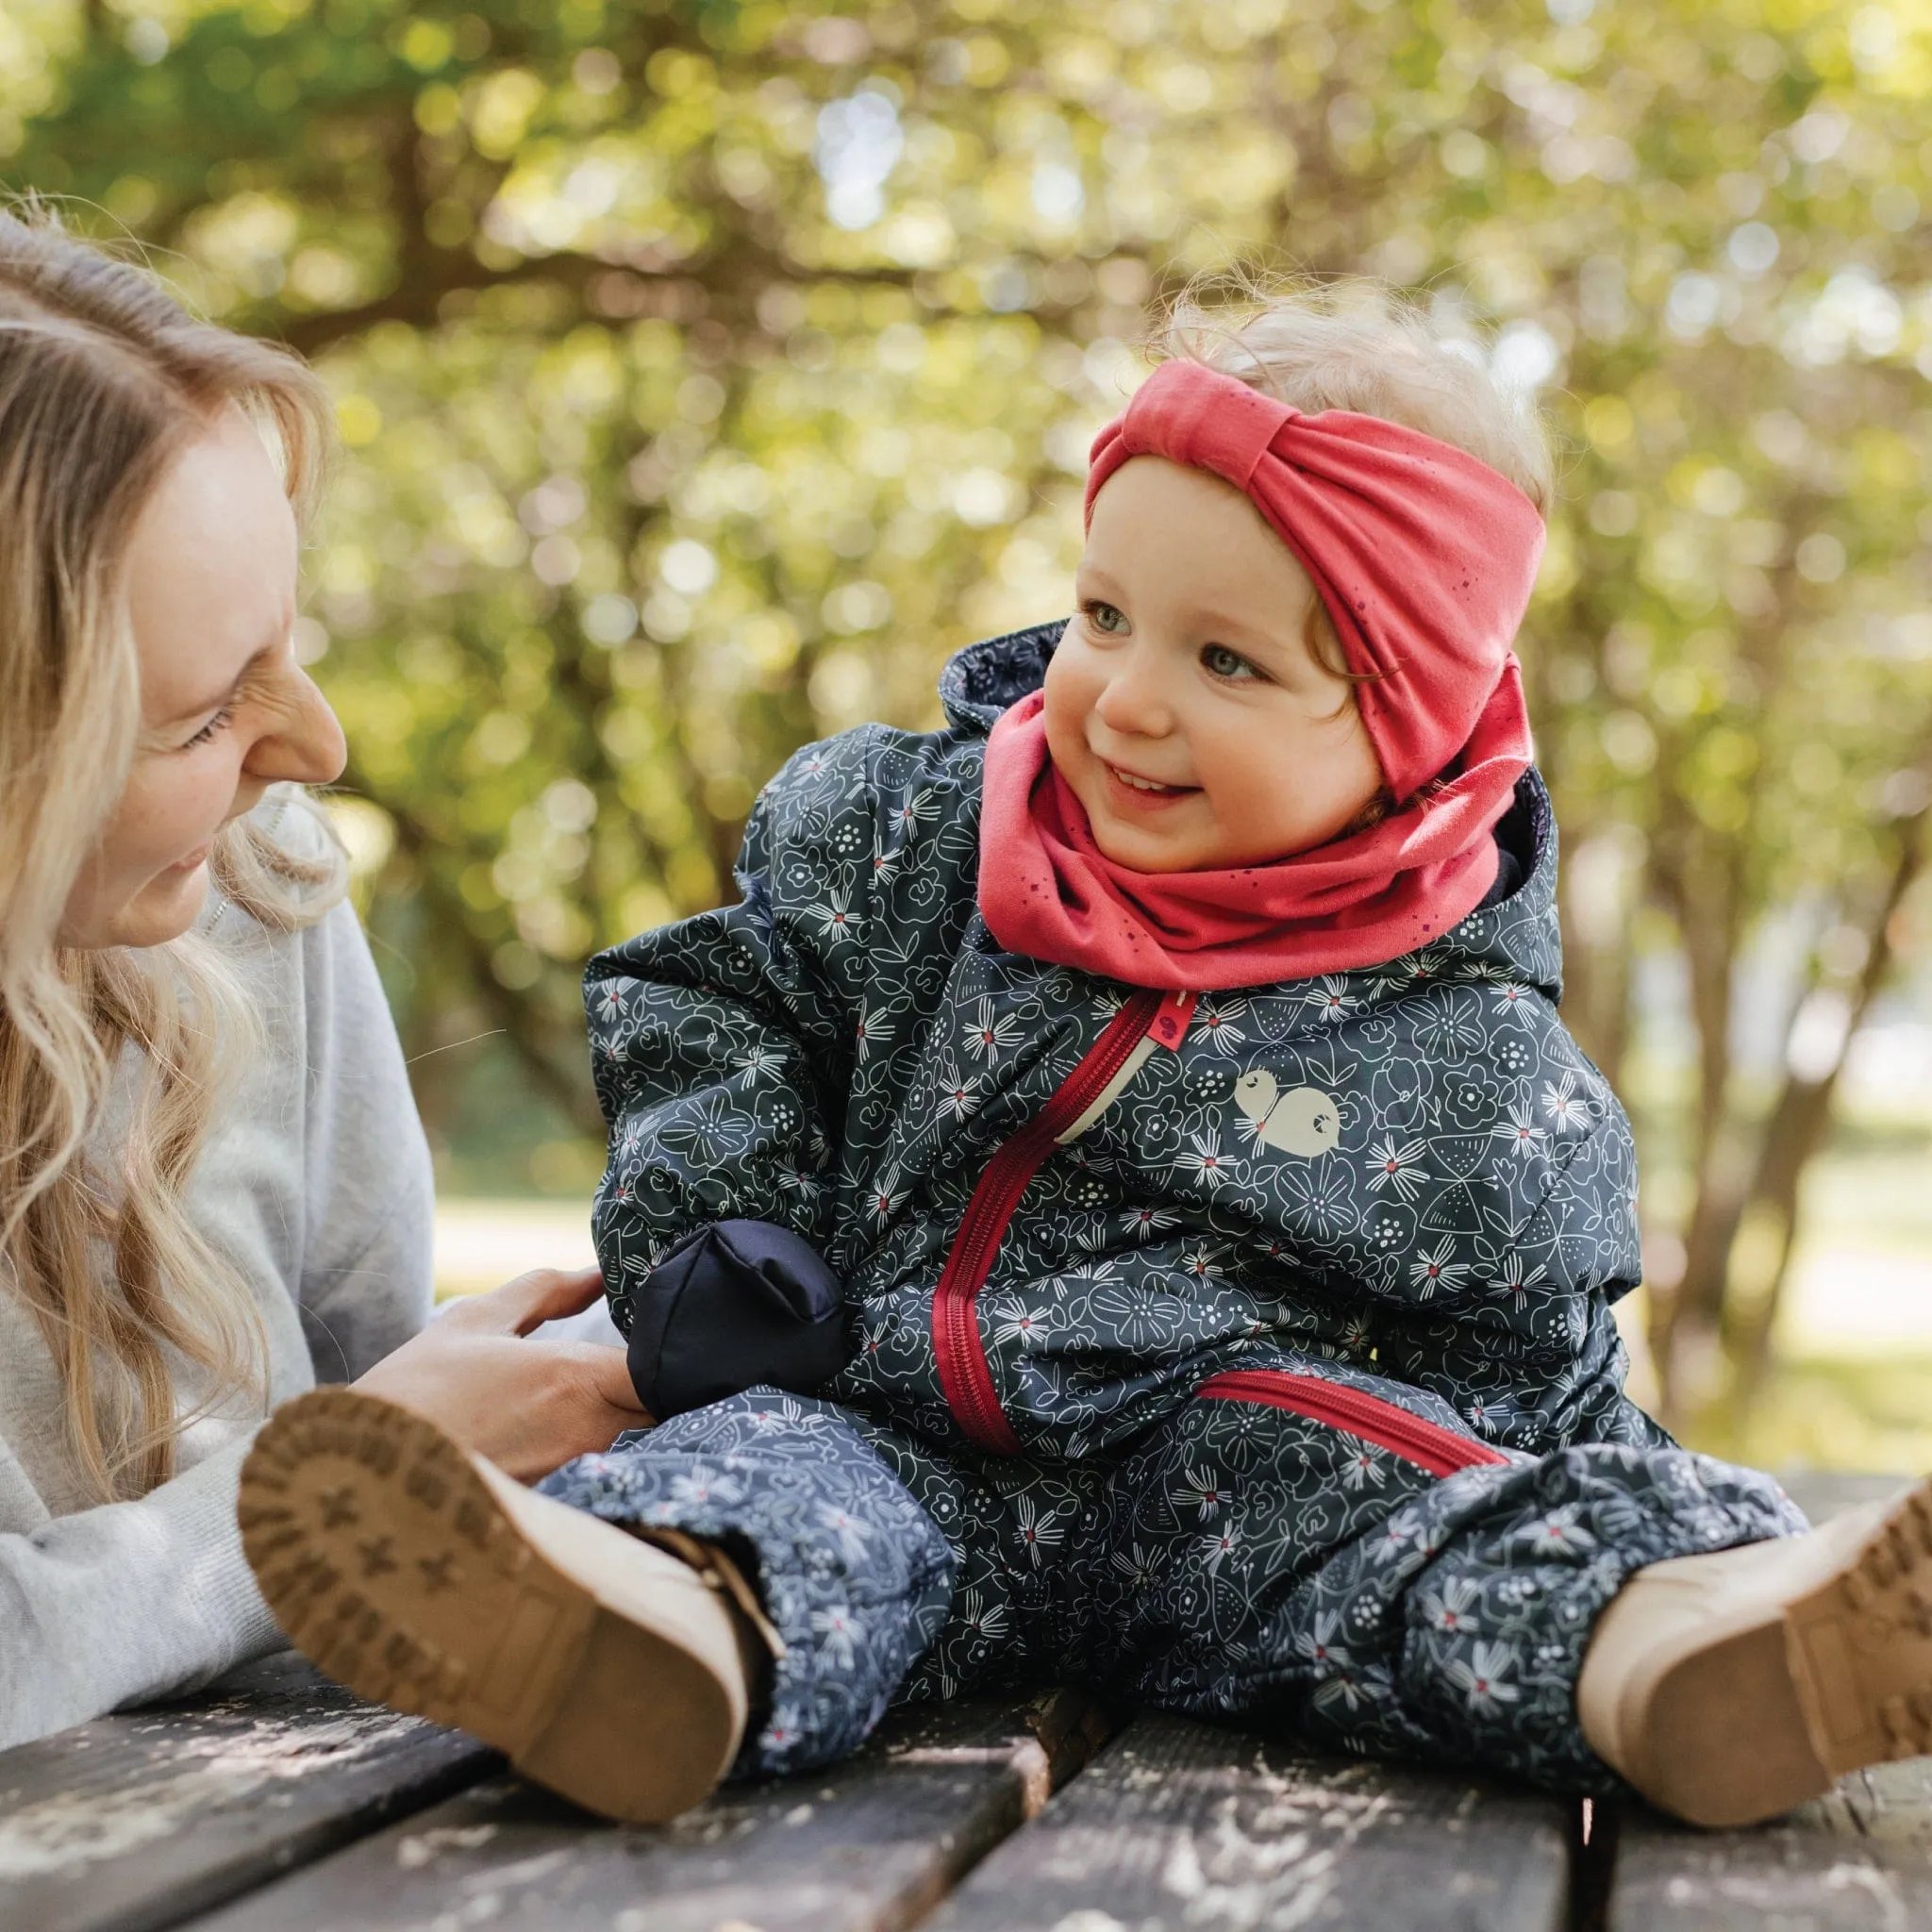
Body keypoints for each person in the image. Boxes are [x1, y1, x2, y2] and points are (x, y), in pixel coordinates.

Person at [242, 284, 1932, 1832]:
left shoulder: (1472, 1063)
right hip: (877, 1403)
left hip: (1241, 1486)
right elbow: (726, 999)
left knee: (1446, 1562)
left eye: (1226, 660)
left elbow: (1529, 1360)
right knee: (762, 1496)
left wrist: (1609, 1500)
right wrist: (717, 1230)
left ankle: (1704, 1660)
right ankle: (626, 1629)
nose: (1122, 699)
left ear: (1405, 726)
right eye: (1105, 612)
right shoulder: (909, 844)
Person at [0, 210, 644, 1751]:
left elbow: (383, 1374)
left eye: (286, 645)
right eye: (204, 711)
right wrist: (341, 1483)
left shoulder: (252, 878)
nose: (316, 749)